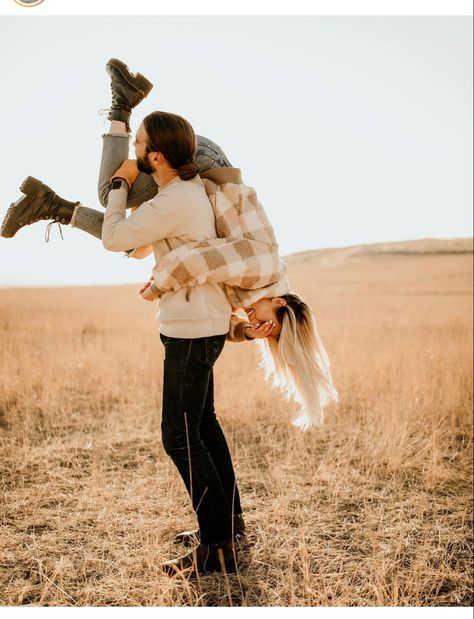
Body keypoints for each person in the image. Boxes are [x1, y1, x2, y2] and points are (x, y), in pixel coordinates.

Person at [1, 58, 338, 572]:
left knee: (187, 430)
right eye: (271, 322)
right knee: (194, 426)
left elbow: (166, 254)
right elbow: (200, 259)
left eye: (264, 331)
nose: (259, 324)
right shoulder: (264, 269)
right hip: (203, 159)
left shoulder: (256, 289)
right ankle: (97, 139)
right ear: (284, 302)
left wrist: (220, 312)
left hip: (200, 176)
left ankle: (221, 538)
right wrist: (167, 277)